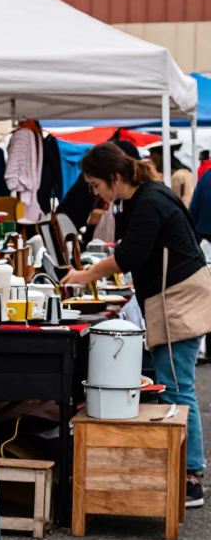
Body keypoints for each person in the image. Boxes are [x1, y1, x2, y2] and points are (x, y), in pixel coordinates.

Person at [62, 142, 211, 508]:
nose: (96, 194)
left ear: (115, 177)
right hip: (172, 296)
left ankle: (191, 478)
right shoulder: (144, 196)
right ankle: (186, 470)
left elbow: (130, 254)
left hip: (179, 299)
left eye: (96, 185)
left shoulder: (148, 201)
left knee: (177, 387)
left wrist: (85, 273)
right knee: (176, 384)